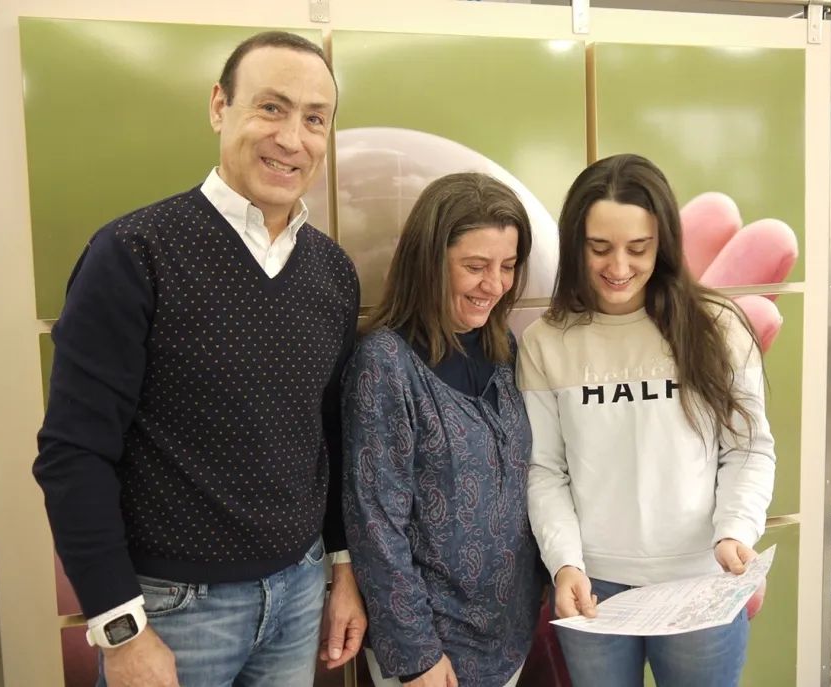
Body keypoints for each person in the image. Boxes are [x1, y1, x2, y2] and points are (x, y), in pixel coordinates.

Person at [32, 30, 366, 687]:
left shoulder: (332, 271)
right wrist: (120, 626)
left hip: (298, 592)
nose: (292, 138)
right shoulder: (135, 253)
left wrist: (342, 567)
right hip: (174, 607)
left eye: (314, 118)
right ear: (220, 107)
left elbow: (325, 435)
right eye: (270, 107)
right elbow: (74, 452)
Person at [516, 153, 776, 687]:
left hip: (701, 581)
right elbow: (545, 469)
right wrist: (564, 563)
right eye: (599, 248)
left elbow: (748, 450)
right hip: (594, 588)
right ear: (574, 244)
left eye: (639, 248)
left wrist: (735, 530)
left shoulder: (719, 327)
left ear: (665, 244)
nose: (618, 267)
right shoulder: (547, 342)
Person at [341, 172, 547, 687]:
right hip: (432, 649)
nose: (495, 286)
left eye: (507, 266)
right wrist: (416, 657)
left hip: (509, 636)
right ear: (429, 264)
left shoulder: (505, 352)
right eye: (475, 267)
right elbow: (375, 523)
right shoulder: (385, 362)